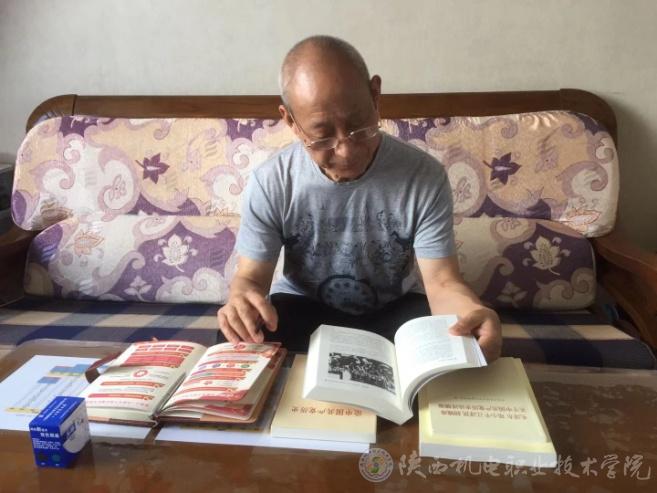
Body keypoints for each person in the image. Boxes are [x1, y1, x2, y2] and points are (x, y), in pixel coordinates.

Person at [217, 35, 502, 362]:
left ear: (375, 95)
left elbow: (441, 282)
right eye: (322, 136)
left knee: (451, 340)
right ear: (291, 122)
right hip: (303, 307)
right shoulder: (272, 182)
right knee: (234, 338)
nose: (346, 151)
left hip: (393, 310)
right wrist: (241, 300)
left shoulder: (423, 176)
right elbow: (251, 279)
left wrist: (471, 311)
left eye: (358, 126)